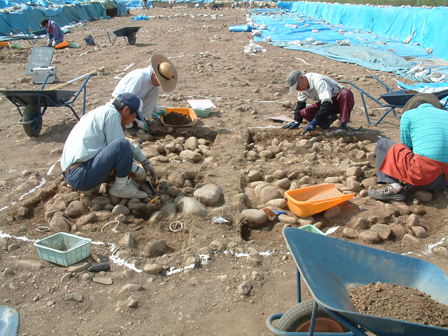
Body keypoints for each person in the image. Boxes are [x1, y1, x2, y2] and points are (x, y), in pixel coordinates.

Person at [61, 93, 158, 199]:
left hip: (71, 174)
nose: (131, 122)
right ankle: (121, 187)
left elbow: (118, 143)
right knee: (122, 145)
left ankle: (112, 182)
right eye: (133, 117)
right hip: (82, 176)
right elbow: (120, 145)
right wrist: (137, 170)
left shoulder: (100, 112)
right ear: (126, 110)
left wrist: (144, 161)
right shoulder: (112, 114)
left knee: (121, 145)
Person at [368, 102, 448, 201]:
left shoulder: (409, 115)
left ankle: (394, 188)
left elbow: (406, 146)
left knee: (382, 144)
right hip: (445, 180)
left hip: (424, 174)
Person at [112, 54, 178, 131]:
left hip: (135, 101)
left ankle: (142, 119)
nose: (160, 85)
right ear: (154, 75)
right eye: (160, 82)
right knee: (130, 112)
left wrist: (156, 109)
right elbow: (127, 100)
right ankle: (129, 125)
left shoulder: (151, 83)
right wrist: (136, 121)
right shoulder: (139, 78)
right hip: (120, 106)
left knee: (156, 90)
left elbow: (149, 97)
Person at [283, 70, 355, 136]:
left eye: (297, 86)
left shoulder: (318, 81)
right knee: (304, 112)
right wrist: (297, 121)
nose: (298, 89)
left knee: (346, 93)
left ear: (301, 78)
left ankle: (343, 125)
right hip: (327, 104)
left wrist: (315, 121)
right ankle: (326, 122)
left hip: (340, 102)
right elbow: (300, 105)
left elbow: (327, 103)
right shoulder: (302, 90)